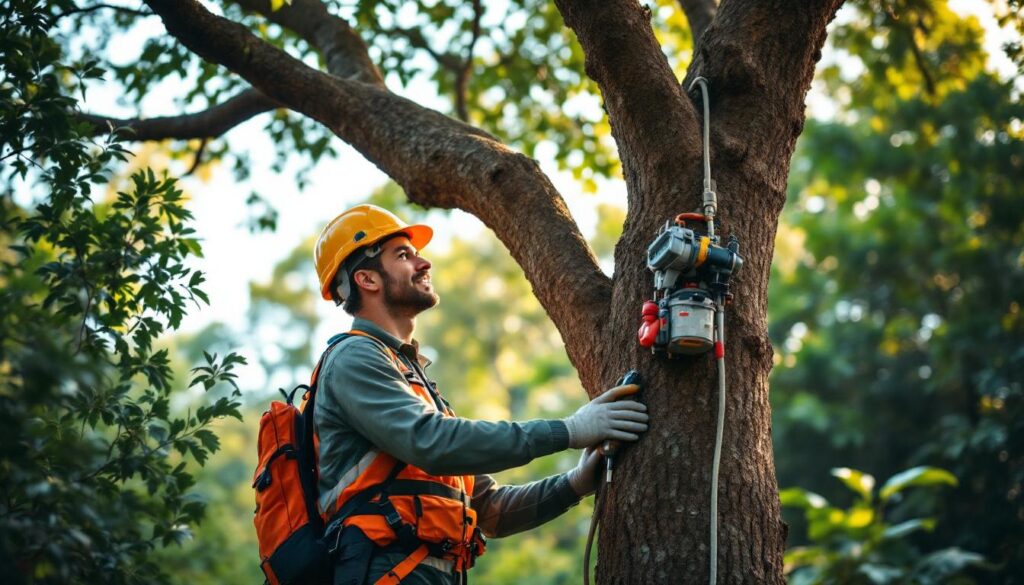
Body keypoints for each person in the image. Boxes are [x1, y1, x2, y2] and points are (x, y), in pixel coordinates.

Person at [312, 204, 649, 585]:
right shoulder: (354, 357)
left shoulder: (412, 379)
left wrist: (575, 484)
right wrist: (569, 430)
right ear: (367, 280)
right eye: (404, 255)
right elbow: (431, 442)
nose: (424, 264)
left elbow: (491, 510)